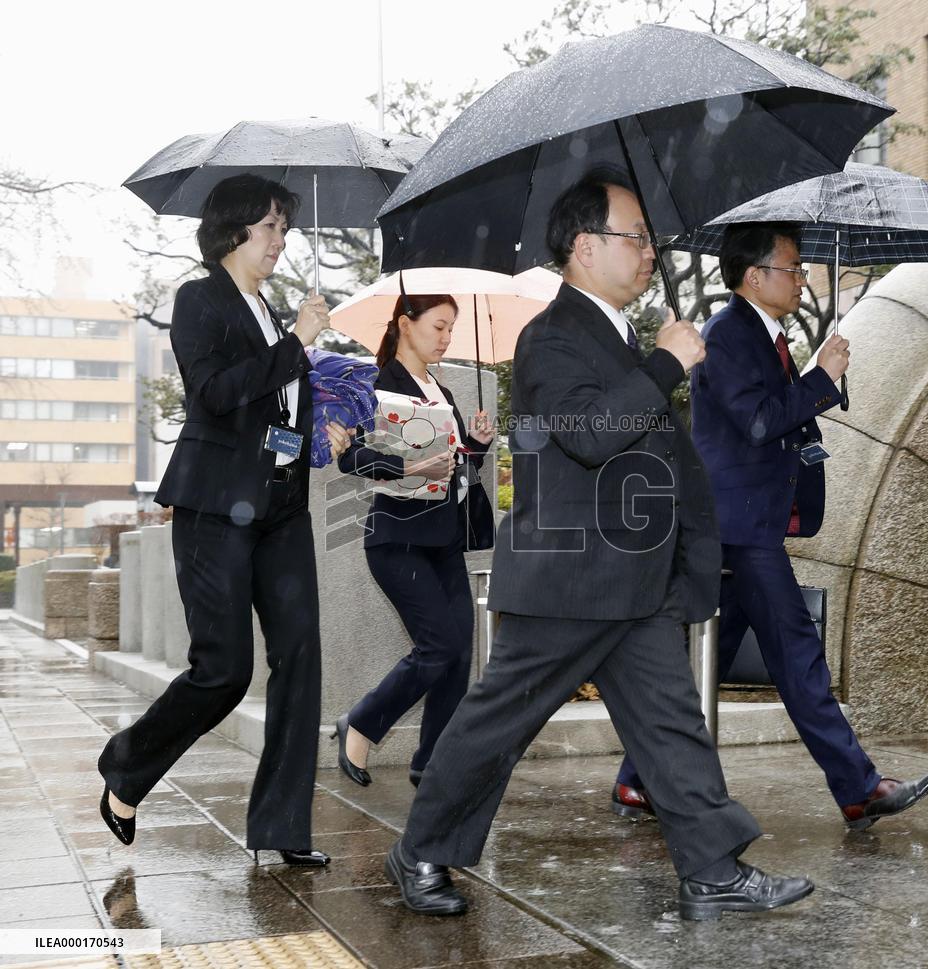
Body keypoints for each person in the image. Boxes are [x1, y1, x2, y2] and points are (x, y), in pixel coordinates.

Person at [382, 170, 815, 922]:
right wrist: (667, 364)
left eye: (648, 237)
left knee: (671, 719)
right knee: (497, 722)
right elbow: (589, 435)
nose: (649, 250)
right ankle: (420, 847)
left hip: (630, 575)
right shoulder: (551, 336)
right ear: (584, 247)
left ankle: (712, 867)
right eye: (635, 235)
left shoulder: (615, 333)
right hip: (569, 578)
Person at [611, 221, 928, 830]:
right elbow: (759, 422)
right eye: (791, 268)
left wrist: (819, 377)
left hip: (746, 524)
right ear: (755, 275)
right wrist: (821, 379)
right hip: (738, 527)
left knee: (703, 663)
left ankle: (636, 779)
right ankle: (858, 788)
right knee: (797, 655)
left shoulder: (766, 336)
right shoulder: (729, 334)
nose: (800, 278)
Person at [97, 174, 352, 866]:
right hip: (215, 507)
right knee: (224, 670)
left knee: (301, 658)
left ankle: (283, 825)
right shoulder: (200, 300)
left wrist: (317, 434)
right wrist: (295, 341)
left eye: (284, 228)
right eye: (271, 226)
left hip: (281, 508)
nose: (281, 240)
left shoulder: (273, 312)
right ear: (235, 229)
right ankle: (126, 763)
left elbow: (273, 410)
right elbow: (214, 395)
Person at [333, 294, 495, 788]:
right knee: (437, 646)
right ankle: (360, 724)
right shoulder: (378, 384)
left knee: (458, 651)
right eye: (439, 327)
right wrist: (410, 467)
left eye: (451, 330)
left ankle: (431, 763)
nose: (446, 339)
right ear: (406, 324)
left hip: (443, 538)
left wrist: (478, 444)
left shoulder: (439, 389)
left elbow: (455, 462)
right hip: (396, 538)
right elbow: (350, 458)